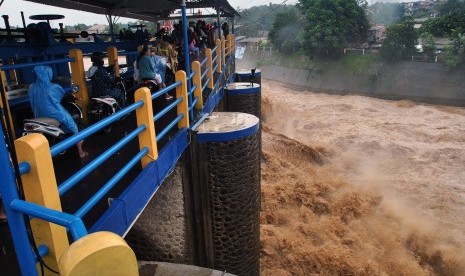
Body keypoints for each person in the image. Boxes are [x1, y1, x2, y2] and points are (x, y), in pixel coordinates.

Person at [29, 65, 88, 158]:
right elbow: (61, 95)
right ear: (49, 74)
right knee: (74, 127)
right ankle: (81, 153)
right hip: (54, 113)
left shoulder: (32, 87)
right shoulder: (53, 87)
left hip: (38, 115)